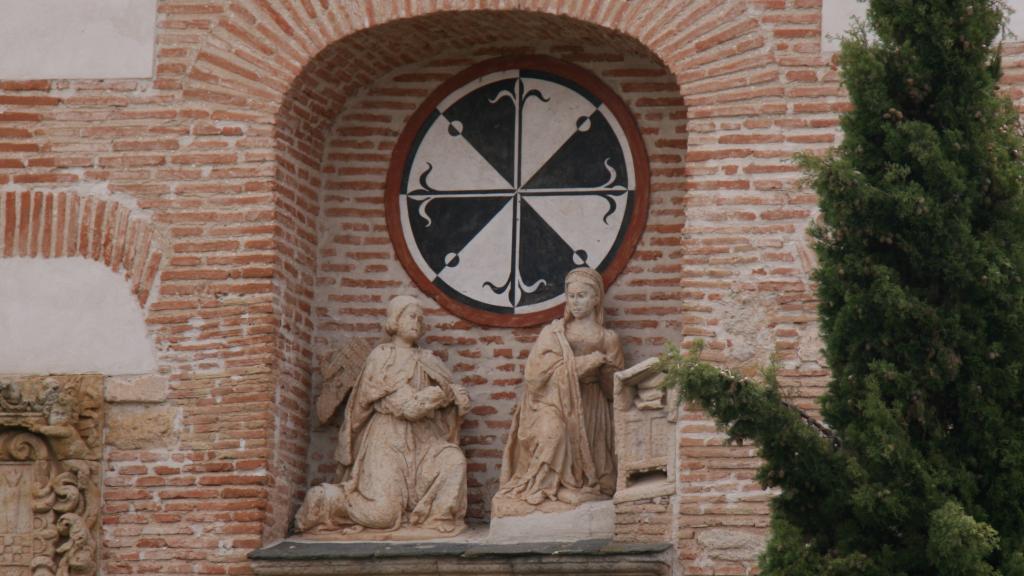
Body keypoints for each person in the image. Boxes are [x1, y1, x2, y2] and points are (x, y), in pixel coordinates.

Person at [295, 296, 470, 535]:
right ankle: (328, 500)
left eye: (420, 318)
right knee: (384, 515)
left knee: (454, 459)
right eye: (411, 316)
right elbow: (404, 406)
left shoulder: (429, 360)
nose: (416, 322)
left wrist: (457, 401)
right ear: (394, 320)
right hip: (387, 439)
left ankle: (437, 519)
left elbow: (447, 399)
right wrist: (438, 396)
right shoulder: (381, 356)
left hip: (425, 440)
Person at [496, 267, 624, 512]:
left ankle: (580, 484)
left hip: (591, 404)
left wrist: (605, 370)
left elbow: (614, 391)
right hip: (551, 402)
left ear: (596, 298)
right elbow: (535, 376)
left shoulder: (609, 338)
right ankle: (544, 486)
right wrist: (584, 363)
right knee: (552, 432)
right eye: (571, 296)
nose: (575, 302)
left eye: (582, 296)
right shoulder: (554, 333)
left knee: (597, 470)